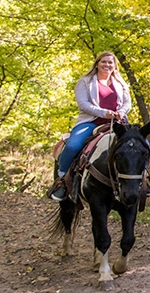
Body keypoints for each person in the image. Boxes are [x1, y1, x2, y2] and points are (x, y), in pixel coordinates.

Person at [49, 51, 131, 201]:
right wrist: (104, 113)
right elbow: (83, 104)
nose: (107, 65)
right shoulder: (85, 82)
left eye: (110, 62)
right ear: (97, 63)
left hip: (117, 123)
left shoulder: (120, 83)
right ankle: (61, 180)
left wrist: (121, 112)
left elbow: (127, 103)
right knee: (73, 146)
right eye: (104, 62)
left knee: (140, 144)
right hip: (90, 122)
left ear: (115, 65)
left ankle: (143, 180)